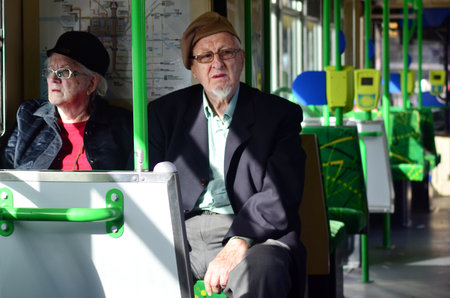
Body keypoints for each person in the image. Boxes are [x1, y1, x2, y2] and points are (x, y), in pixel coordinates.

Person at [148, 12, 306, 298]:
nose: (217, 63)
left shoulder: (279, 115)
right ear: (193, 69)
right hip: (183, 231)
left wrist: (239, 240)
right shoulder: (164, 115)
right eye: (205, 56)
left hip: (255, 231)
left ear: (242, 59)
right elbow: (149, 187)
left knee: (263, 269)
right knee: (144, 264)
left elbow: (281, 191)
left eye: (226, 52)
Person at [1, 31, 133, 170]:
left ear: (91, 83)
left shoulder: (122, 124)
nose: (53, 79)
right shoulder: (29, 115)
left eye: (64, 72)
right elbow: (6, 174)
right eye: (50, 70)